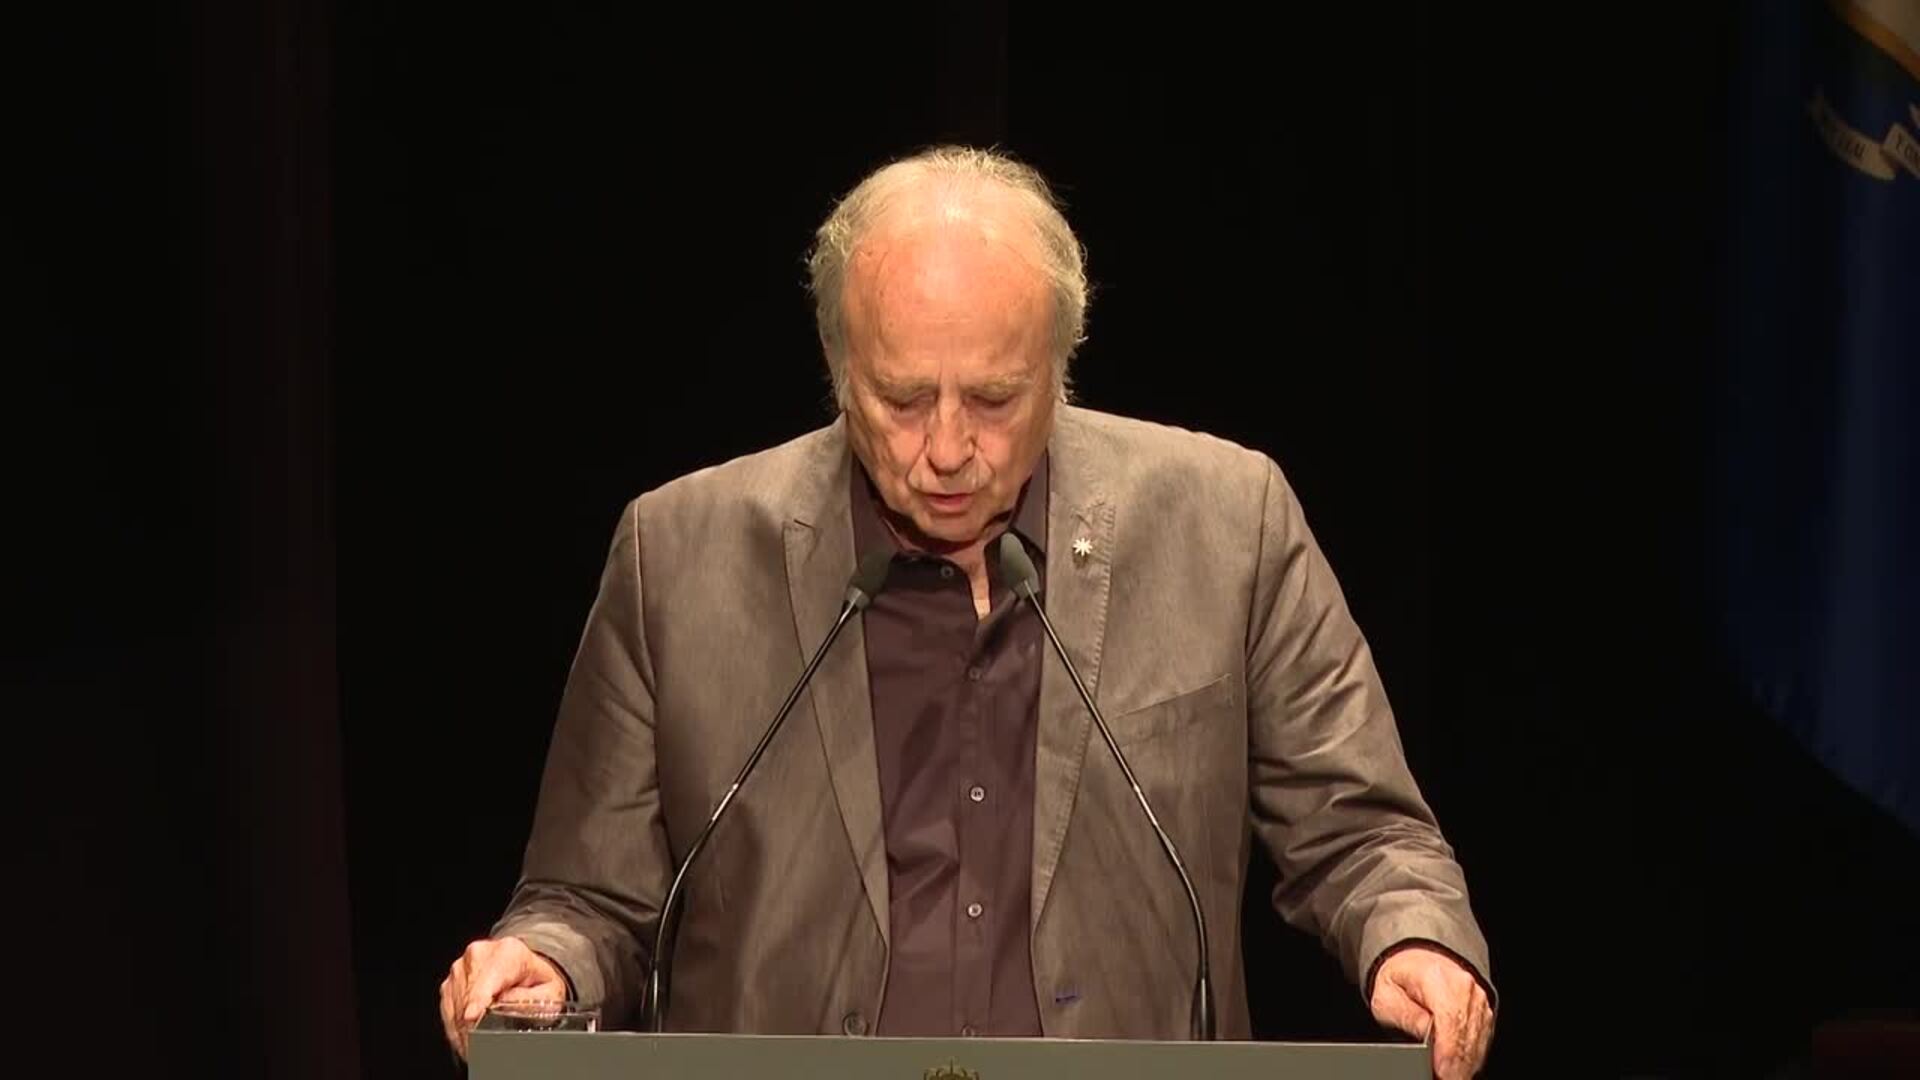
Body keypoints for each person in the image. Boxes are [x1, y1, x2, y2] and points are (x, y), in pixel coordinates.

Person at [438, 145, 1496, 1077]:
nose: (947, 449)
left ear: (1059, 367)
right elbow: (587, 901)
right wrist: (542, 967)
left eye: (994, 399)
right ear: (840, 370)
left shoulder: (1229, 525)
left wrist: (1416, 939)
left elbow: (1363, 832)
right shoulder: (675, 557)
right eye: (902, 400)